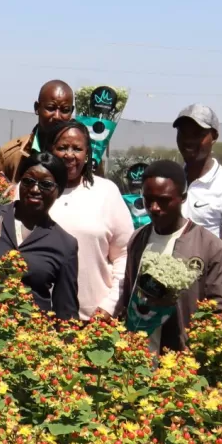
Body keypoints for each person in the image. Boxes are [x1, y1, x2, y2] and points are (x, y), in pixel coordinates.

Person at [114, 160, 222, 354]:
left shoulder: (210, 247)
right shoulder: (138, 239)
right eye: (148, 199)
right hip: (139, 356)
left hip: (183, 359)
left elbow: (220, 310)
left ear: (183, 197)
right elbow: (129, 295)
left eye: (163, 200)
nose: (154, 207)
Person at [40, 119, 134, 320]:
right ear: (49, 150)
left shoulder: (106, 192)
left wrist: (110, 306)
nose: (69, 155)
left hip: (93, 320)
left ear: (88, 153)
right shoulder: (30, 190)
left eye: (77, 148)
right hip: (37, 318)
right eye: (62, 148)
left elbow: (124, 255)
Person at [0, 152, 79, 320]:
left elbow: (66, 312)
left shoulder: (65, 244)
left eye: (46, 185)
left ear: (59, 191)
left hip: (32, 332)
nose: (35, 189)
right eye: (28, 181)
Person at [173, 103, 222, 242]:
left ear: (214, 137)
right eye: (183, 133)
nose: (188, 140)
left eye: (197, 134)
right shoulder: (172, 181)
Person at [0, 80, 75, 183]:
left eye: (65, 110)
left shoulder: (79, 158)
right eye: (50, 108)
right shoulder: (11, 154)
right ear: (37, 108)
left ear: (71, 111)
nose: (57, 116)